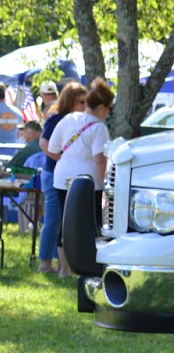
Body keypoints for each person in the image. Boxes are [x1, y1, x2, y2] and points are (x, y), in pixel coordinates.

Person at [49, 78, 113, 303]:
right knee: (92, 224)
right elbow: (99, 161)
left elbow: (52, 148)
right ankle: (90, 266)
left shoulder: (68, 119)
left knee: (65, 222)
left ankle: (63, 268)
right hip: (88, 182)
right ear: (103, 107)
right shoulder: (99, 128)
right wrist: (105, 185)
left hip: (62, 176)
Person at [37, 80, 86, 275]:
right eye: (80, 101)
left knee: (64, 220)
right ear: (71, 101)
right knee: (53, 219)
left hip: (68, 175)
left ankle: (62, 264)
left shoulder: (78, 119)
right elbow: (43, 142)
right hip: (52, 173)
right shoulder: (57, 118)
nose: (84, 105)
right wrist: (59, 157)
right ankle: (45, 262)